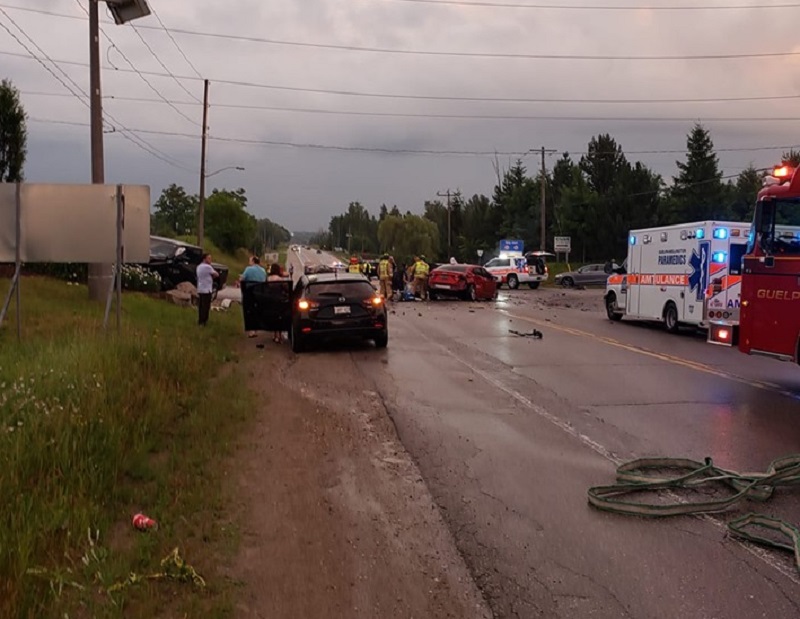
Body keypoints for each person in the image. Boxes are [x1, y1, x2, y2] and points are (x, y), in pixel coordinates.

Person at [239, 256, 267, 338]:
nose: (249, 262)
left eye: (250, 260)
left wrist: (240, 277)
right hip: (259, 293)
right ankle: (256, 328)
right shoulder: (263, 270)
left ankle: (251, 330)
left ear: (253, 261)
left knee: (249, 310)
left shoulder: (249, 269)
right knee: (256, 310)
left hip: (249, 292)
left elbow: (242, 279)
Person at [196, 252, 219, 326]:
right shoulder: (207, 267)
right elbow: (216, 274)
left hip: (200, 288)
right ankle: (204, 321)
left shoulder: (199, 266)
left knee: (201, 306)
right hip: (207, 289)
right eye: (209, 258)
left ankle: (200, 320)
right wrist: (212, 276)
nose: (210, 260)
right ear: (204, 259)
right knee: (206, 306)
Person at [267, 263, 285, 343]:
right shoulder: (280, 279)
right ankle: (280, 336)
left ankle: (275, 336)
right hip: (279, 301)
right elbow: (286, 289)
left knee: (273, 318)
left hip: (270, 301)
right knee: (280, 318)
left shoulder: (268, 279)